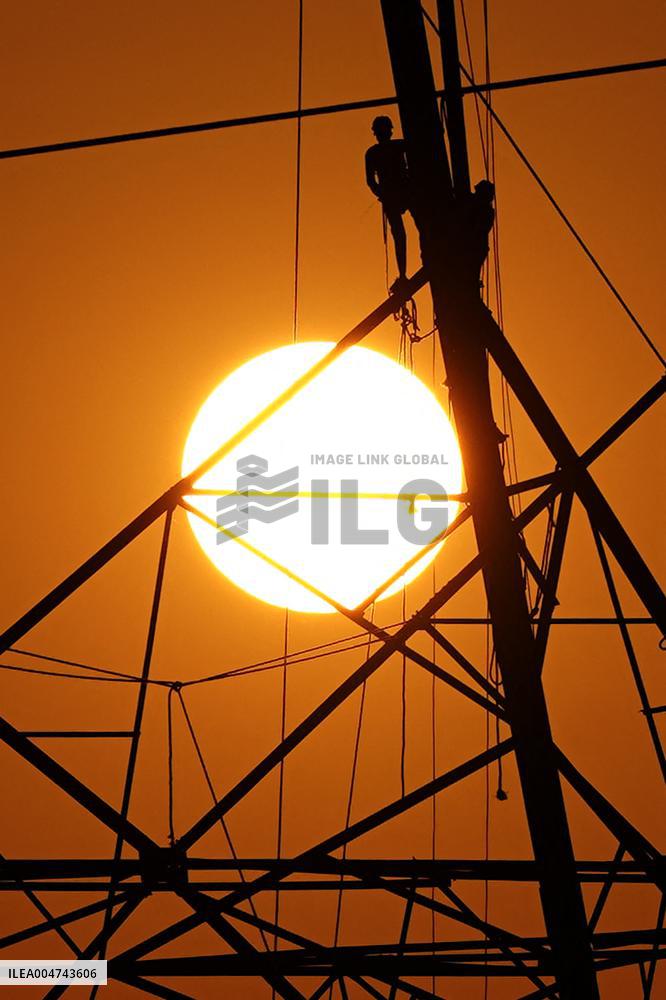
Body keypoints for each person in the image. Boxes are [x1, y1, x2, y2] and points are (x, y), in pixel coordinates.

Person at [365, 115, 412, 290]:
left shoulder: (397, 147)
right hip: (395, 194)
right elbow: (371, 181)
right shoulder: (377, 152)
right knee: (400, 235)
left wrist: (382, 194)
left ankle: (403, 275)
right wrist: (383, 194)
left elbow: (371, 181)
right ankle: (402, 275)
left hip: (403, 192)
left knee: (402, 234)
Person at [467, 179, 495, 284]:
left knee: (472, 274)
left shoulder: (487, 212)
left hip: (476, 248)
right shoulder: (472, 202)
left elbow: (482, 229)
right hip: (476, 249)